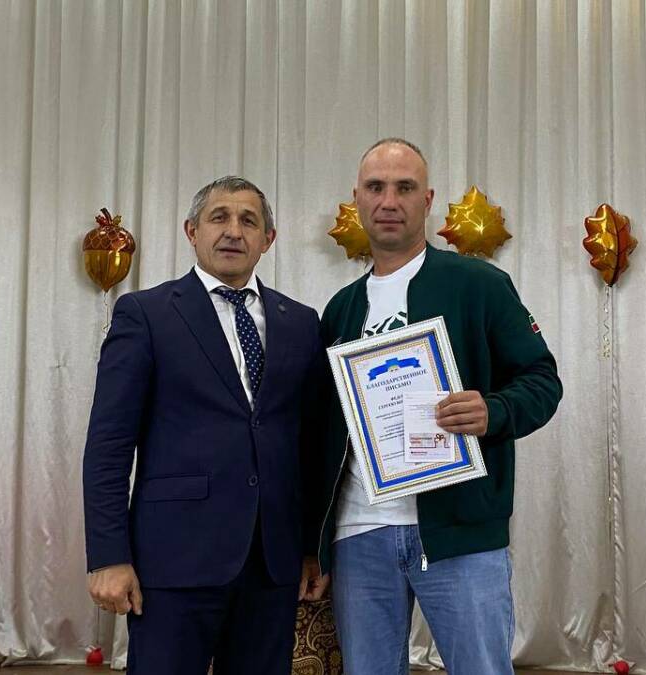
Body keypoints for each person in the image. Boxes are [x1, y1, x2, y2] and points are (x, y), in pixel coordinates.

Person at [304, 139, 563, 674]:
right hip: (359, 533)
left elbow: (542, 381)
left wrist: (494, 411)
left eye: (405, 187)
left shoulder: (479, 284)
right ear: (357, 199)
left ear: (427, 200)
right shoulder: (340, 309)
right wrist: (317, 542)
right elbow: (323, 434)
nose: (389, 200)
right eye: (376, 187)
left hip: (461, 531)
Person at [83, 175, 324, 675]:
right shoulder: (146, 314)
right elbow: (109, 445)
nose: (233, 231)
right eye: (219, 218)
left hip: (272, 565)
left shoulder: (302, 323)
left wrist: (309, 548)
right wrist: (108, 556)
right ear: (192, 231)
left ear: (268, 239)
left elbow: (310, 445)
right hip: (174, 562)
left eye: (248, 221)